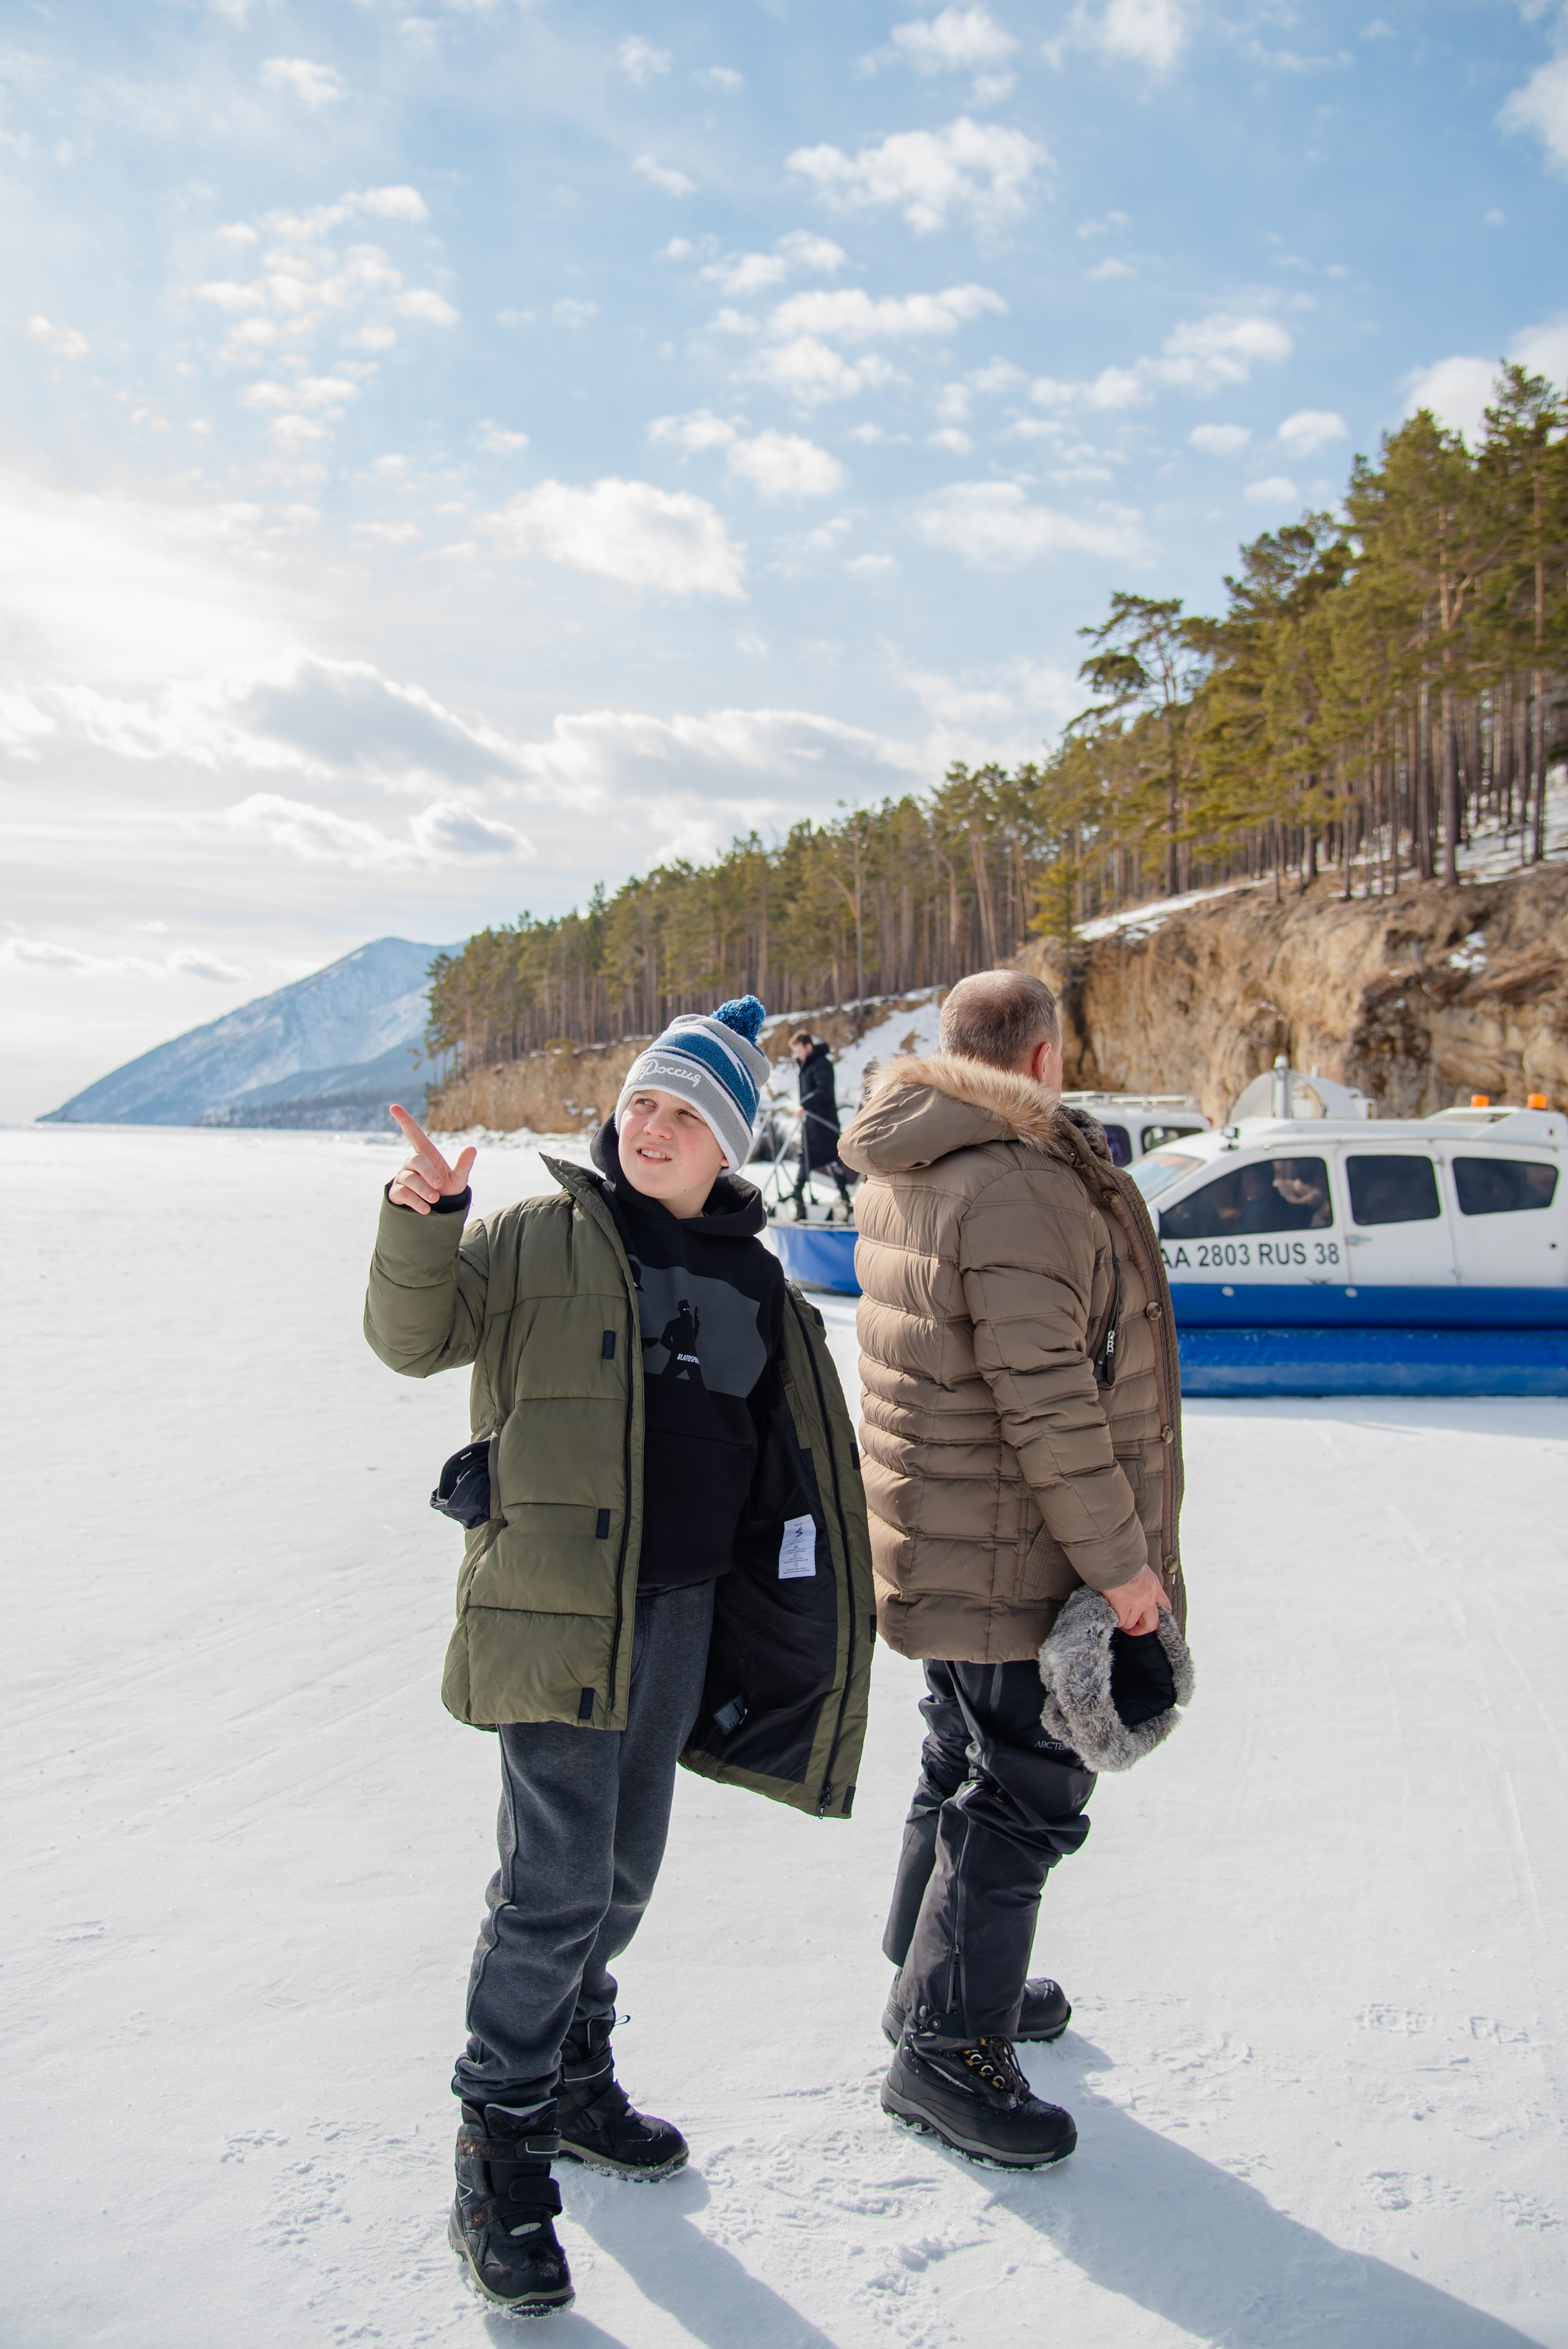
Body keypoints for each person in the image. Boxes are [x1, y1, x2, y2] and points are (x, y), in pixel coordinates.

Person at [364, 995, 873, 2318]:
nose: (650, 1125)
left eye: (685, 1111)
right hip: (553, 1608)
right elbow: (412, 1341)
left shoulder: (756, 1281)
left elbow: (783, 1460)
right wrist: (422, 1226)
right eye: (640, 1102)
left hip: (685, 1613)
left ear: (729, 1145)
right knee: (553, 1887)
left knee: (625, 1873)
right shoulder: (542, 1233)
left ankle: (576, 2076)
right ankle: (500, 2153)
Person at [837, 969, 1186, 2170]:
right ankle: (945, 2050)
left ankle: (928, 1977)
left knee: (960, 1748)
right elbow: (1048, 1401)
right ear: (1039, 1058)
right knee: (1027, 1783)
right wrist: (1123, 1567)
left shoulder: (917, 1162)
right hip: (1004, 1541)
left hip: (939, 1528)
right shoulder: (1017, 1184)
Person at [788, 1028, 853, 1221]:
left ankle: (844, 1195)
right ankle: (797, 1194)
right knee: (805, 1159)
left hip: (824, 1122)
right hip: (811, 1124)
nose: (798, 1055)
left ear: (809, 1046)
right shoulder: (806, 1065)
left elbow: (825, 1090)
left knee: (832, 1158)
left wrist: (805, 1105)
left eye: (799, 1051)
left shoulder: (821, 1064)